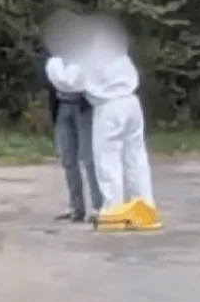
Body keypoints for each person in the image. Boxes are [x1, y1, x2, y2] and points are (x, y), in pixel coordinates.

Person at [44, 15, 155, 214]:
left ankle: (113, 210)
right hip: (132, 102)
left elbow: (67, 82)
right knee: (136, 158)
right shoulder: (110, 48)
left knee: (107, 159)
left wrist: (53, 63)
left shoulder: (83, 56)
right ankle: (144, 207)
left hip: (109, 106)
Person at [38, 45, 102, 222]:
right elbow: (44, 76)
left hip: (83, 107)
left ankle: (99, 206)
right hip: (62, 105)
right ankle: (76, 207)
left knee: (88, 157)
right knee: (68, 158)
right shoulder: (53, 52)